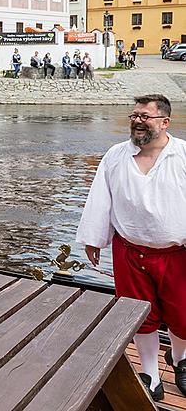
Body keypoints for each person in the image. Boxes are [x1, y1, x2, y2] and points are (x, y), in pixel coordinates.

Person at [76, 94, 186, 401]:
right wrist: (94, 238)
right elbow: (101, 198)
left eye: (145, 116)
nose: (137, 121)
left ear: (165, 122)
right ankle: (150, 373)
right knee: (139, 314)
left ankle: (180, 361)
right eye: (134, 115)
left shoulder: (183, 155)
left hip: (177, 253)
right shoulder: (116, 155)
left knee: (183, 314)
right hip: (129, 251)